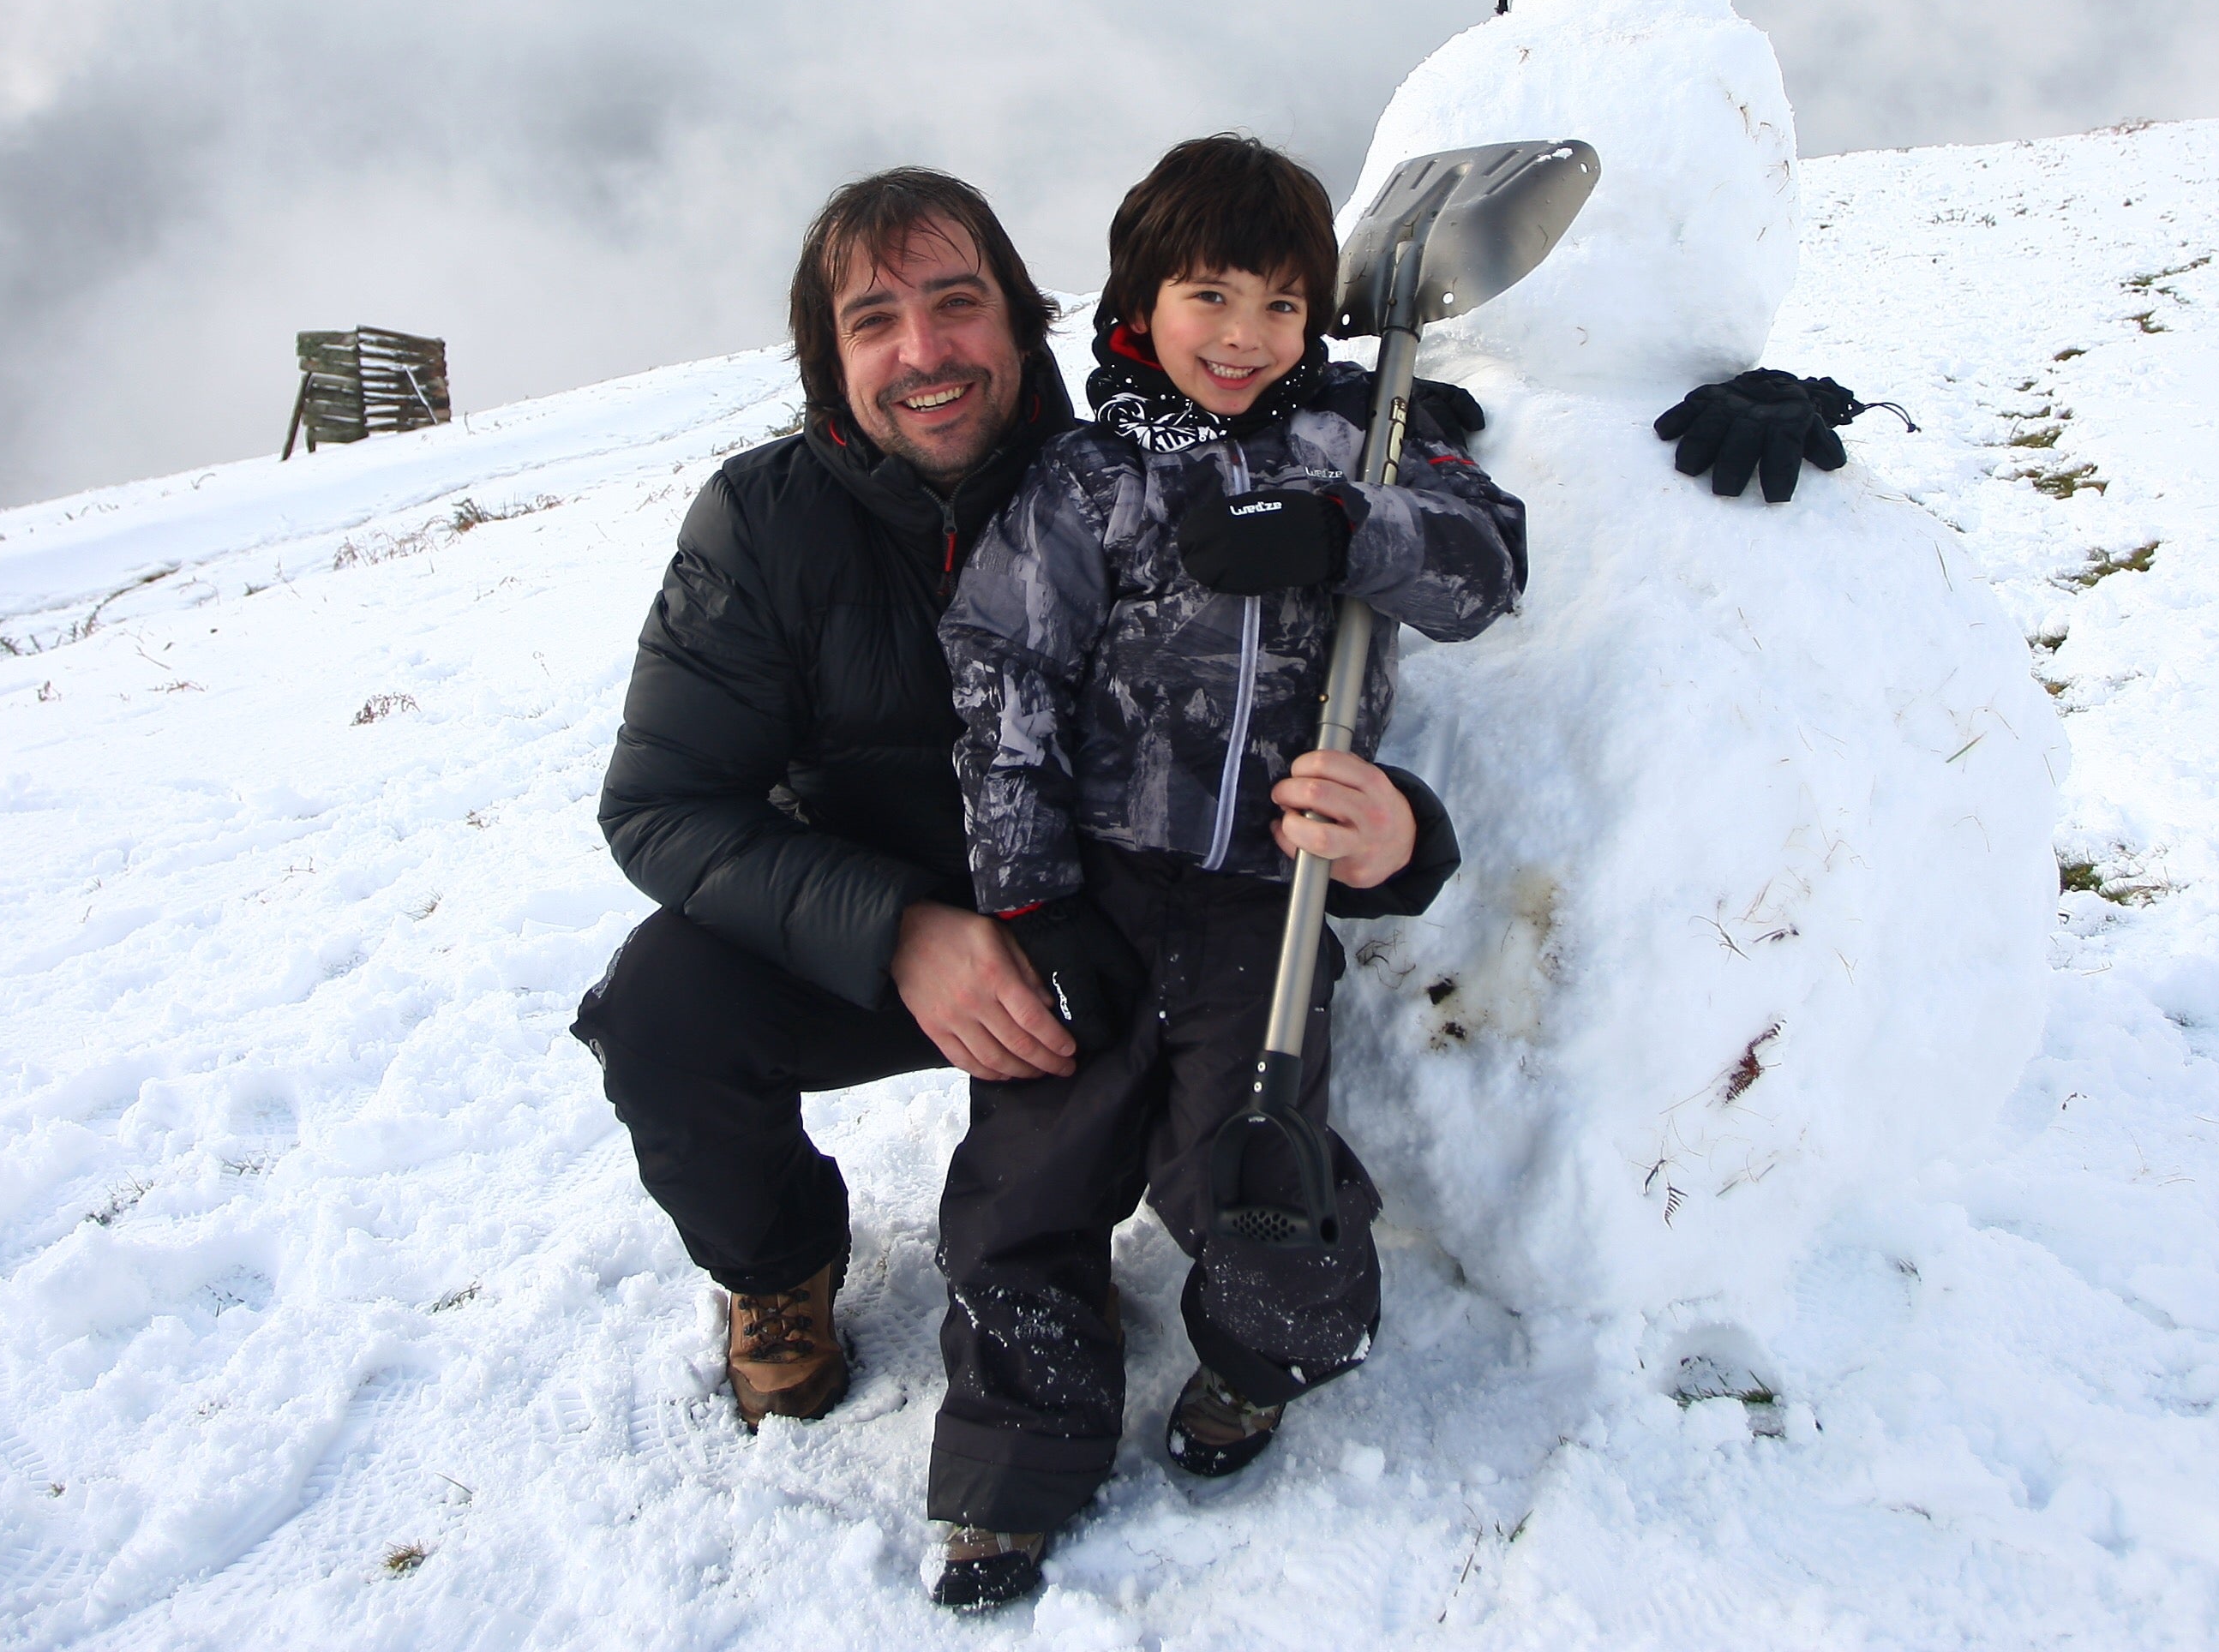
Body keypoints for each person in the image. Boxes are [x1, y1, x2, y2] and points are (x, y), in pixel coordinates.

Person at [573, 169, 1459, 1439]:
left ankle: (1121, 1267)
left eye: (957, 303)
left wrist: (1404, 840)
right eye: (875, 321)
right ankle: (777, 1268)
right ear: (828, 358)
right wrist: (898, 928)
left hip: (1105, 922)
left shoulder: (1130, 466)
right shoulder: (762, 525)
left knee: (1111, 1150)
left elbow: (1259, 702)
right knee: (663, 1009)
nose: (924, 352)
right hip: (889, 933)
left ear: (1022, 315)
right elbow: (660, 808)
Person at [922, 136, 1526, 1607]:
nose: (1246, 335)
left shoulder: (1359, 443)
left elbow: (1486, 563)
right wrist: (1031, 897)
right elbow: (1003, 668)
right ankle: (1015, 1458)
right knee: (1030, 1171)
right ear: (1142, 302)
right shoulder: (1092, 476)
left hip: (1272, 897)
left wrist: (1344, 527)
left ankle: (1261, 1360)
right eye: (1210, 296)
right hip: (1100, 887)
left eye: (1280, 303)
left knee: (1250, 1169)